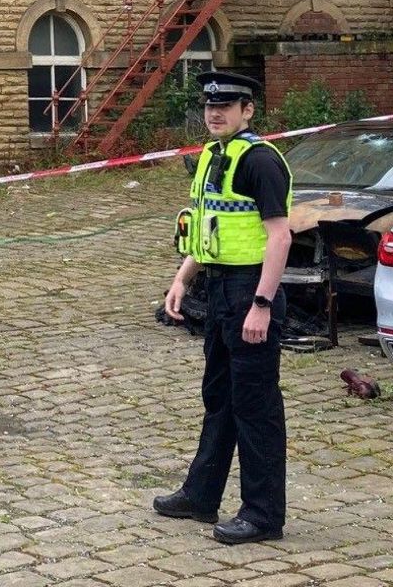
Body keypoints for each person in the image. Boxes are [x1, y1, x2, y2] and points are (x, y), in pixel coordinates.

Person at [151, 70, 292, 545]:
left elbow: (280, 236)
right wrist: (181, 278)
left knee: (256, 407)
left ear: (247, 110)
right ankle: (200, 494)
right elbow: (210, 226)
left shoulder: (259, 161)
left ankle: (263, 514)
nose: (215, 113)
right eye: (210, 106)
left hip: (250, 290)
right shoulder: (214, 156)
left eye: (226, 106)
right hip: (218, 289)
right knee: (220, 399)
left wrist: (262, 304)